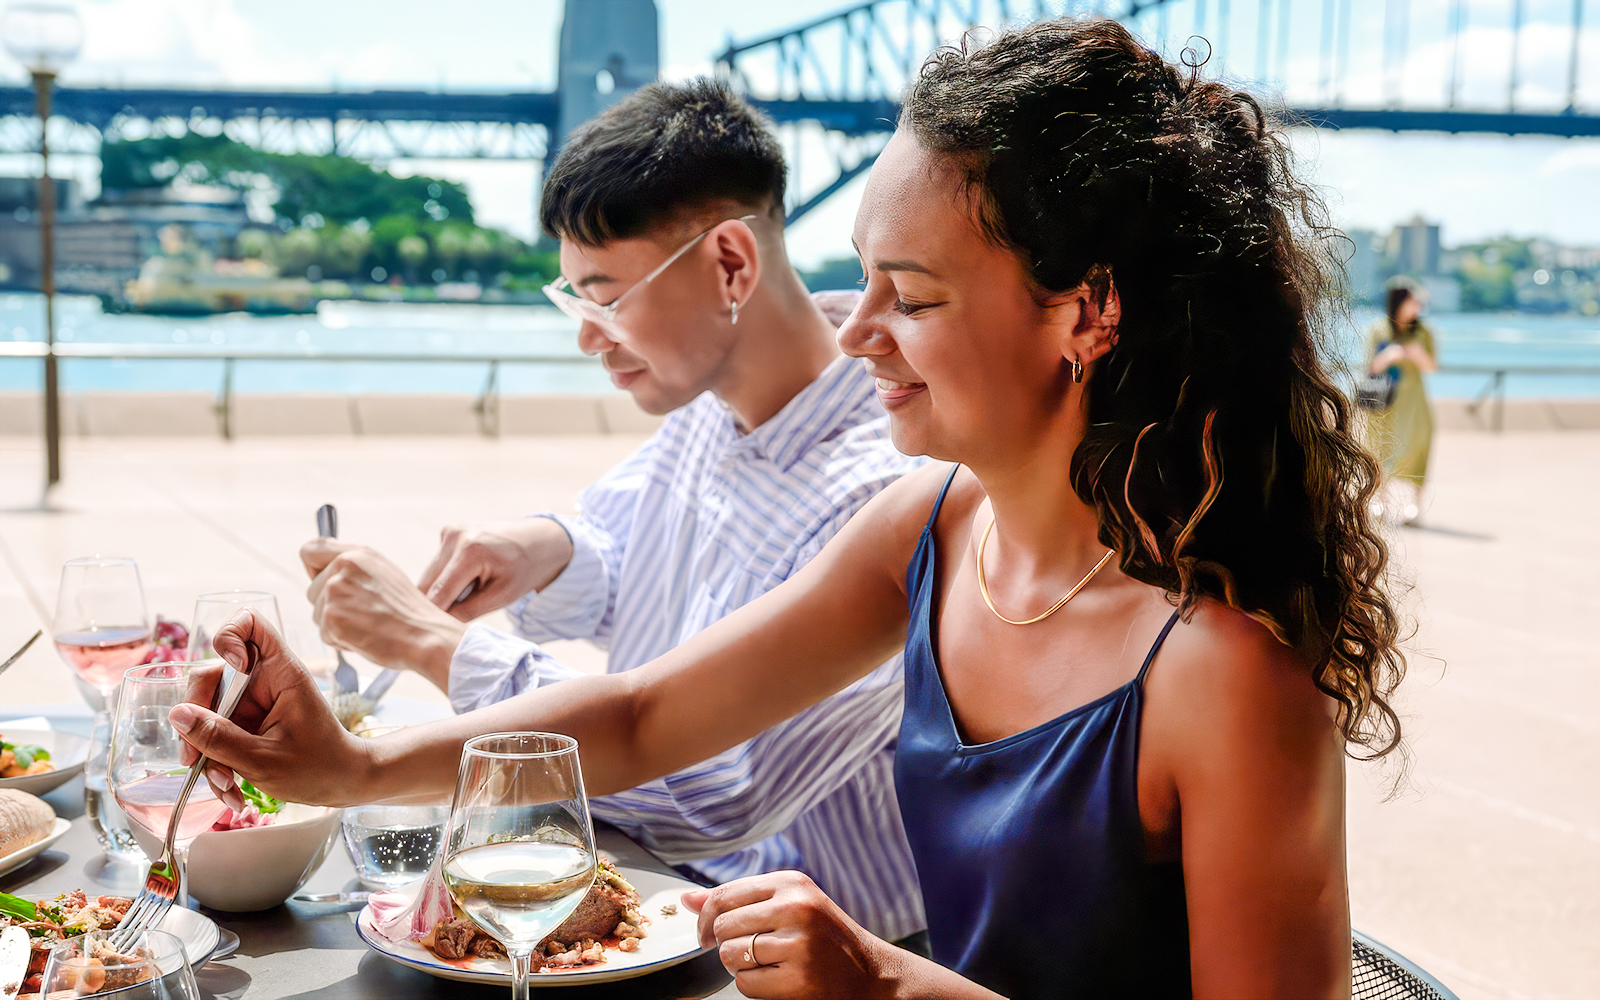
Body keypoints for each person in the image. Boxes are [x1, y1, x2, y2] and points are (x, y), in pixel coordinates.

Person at [175, 20, 1406, 999]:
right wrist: (351, 765)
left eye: (911, 297)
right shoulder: (935, 530)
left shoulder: (1228, 672)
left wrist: (882, 981)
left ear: (1086, 312)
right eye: (859, 277)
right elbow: (651, 712)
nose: (855, 333)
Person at [295, 79, 926, 945]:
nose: (588, 336)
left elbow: (711, 790)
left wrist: (430, 644)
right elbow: (614, 548)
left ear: (731, 263)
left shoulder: (886, 483)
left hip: (824, 954)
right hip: (658, 906)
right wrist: (541, 547)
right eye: (574, 299)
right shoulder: (712, 405)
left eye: (604, 294)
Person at [1364, 279, 1439, 524]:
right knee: (1379, 449)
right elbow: (1370, 367)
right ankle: (1379, 503)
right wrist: (1386, 357)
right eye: (1412, 301)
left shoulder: (1422, 331)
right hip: (1384, 401)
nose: (1417, 306)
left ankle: (1414, 507)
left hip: (1414, 402)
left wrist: (1417, 354)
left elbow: (1431, 367)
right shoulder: (1379, 329)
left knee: (1418, 446)